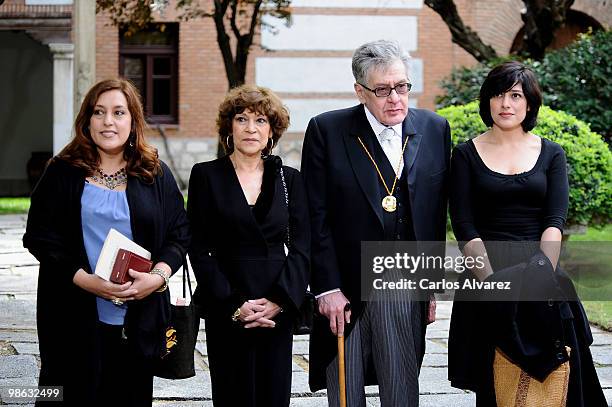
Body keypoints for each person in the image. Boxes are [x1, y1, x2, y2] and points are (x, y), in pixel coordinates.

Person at [448, 61, 607, 406]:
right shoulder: (464, 154)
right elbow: (464, 225)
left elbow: (554, 220)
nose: (506, 104)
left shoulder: (551, 153)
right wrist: (493, 287)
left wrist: (540, 275)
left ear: (530, 104)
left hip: (541, 271)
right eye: (498, 95)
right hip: (485, 274)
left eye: (516, 95)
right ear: (487, 101)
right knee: (498, 386)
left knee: (560, 380)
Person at [23, 78, 190, 406]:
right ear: (87, 120)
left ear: (133, 120)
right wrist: (85, 280)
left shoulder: (154, 173)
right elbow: (39, 238)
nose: (108, 121)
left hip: (138, 319)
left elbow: (180, 233)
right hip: (72, 316)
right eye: (98, 112)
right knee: (63, 396)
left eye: (118, 112)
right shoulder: (61, 172)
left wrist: (157, 277)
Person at [301, 40, 450, 406]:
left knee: (401, 389)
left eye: (401, 87)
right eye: (382, 90)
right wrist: (327, 288)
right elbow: (313, 217)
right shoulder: (327, 130)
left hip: (404, 282)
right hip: (345, 287)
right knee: (345, 391)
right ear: (360, 91)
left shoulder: (434, 128)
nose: (395, 98)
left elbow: (434, 214)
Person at [187, 84, 310, 407]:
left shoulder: (291, 180)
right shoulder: (206, 176)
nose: (250, 129)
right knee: (232, 394)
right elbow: (198, 248)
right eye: (242, 119)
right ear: (229, 128)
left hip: (276, 306)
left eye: (260, 121)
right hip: (226, 302)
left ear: (272, 131)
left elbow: (302, 248)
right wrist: (234, 304)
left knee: (273, 394)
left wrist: (280, 300)